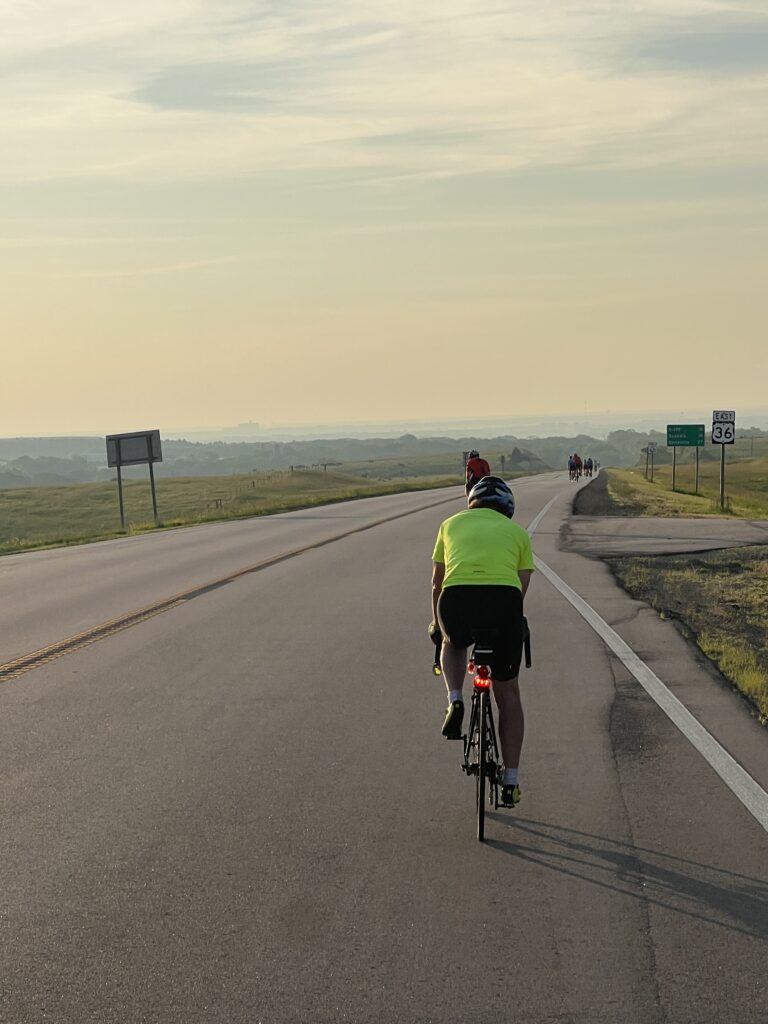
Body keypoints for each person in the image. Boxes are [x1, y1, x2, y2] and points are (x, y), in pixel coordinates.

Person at [429, 476, 534, 807]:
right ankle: (511, 781)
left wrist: (438, 623)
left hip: (456, 599)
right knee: (509, 695)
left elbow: (437, 582)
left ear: (471, 502)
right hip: (503, 603)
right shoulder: (518, 534)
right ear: (507, 509)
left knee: (453, 642)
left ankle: (455, 698)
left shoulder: (449, 525)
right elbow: (521, 587)